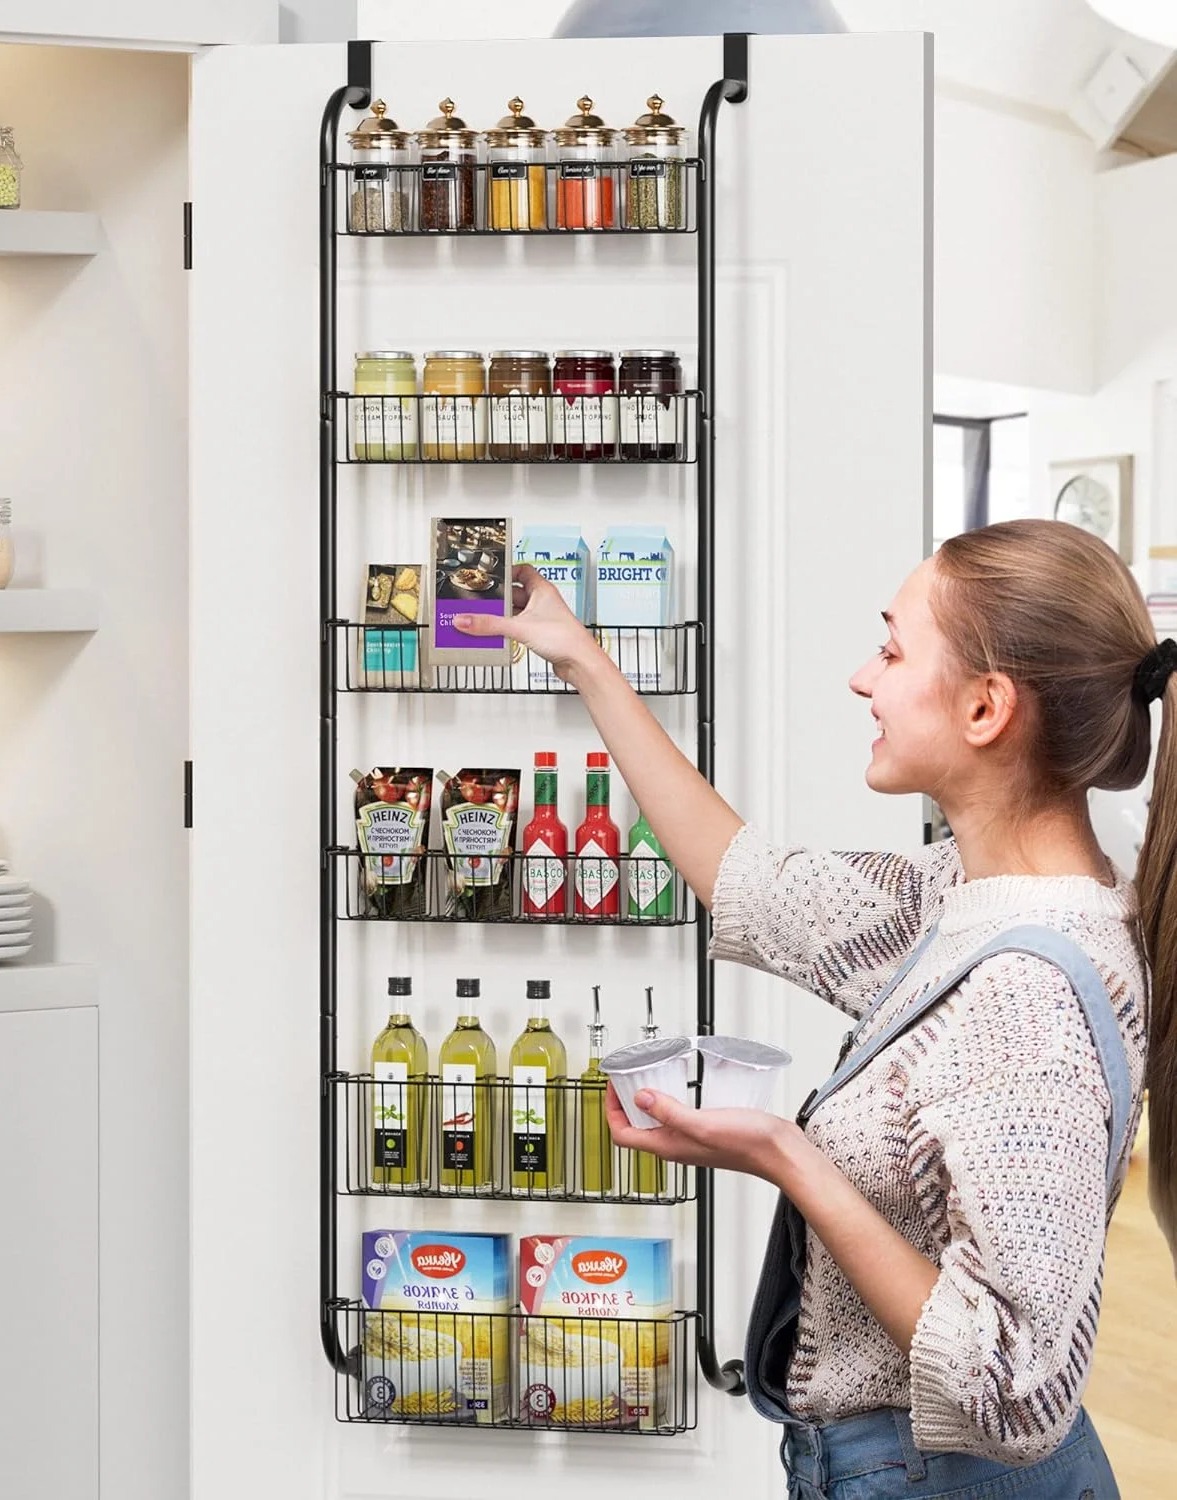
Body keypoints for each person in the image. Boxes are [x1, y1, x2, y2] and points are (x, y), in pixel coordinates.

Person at [455, 519, 1169, 1498]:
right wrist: (580, 656)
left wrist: (786, 1157)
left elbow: (1012, 1394)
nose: (863, 679)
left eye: (893, 651)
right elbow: (751, 884)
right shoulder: (965, 899)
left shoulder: (1026, 995)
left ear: (985, 708)